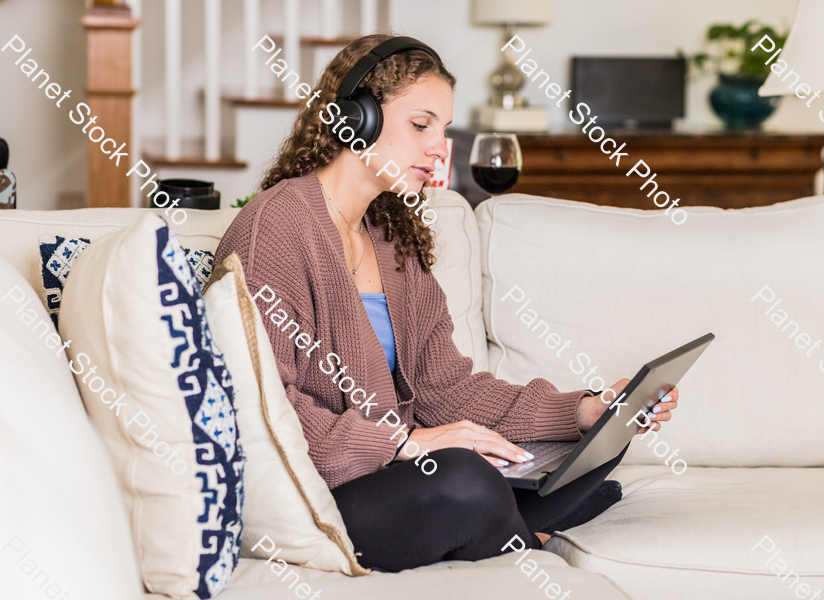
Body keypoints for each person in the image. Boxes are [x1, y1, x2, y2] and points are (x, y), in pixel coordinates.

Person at [212, 33, 679, 573]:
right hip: (324, 491)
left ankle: (514, 513)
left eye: (444, 129)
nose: (439, 147)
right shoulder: (277, 226)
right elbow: (271, 411)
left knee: (603, 440)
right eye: (420, 125)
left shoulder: (390, 233)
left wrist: (580, 410)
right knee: (464, 480)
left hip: (401, 477)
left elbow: (445, 388)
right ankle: (526, 533)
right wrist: (408, 442)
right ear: (354, 119)